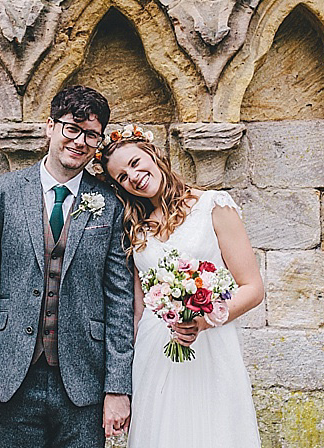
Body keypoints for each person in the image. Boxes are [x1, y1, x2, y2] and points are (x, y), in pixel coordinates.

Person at [0, 85, 134, 448]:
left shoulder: (109, 204)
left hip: (85, 381)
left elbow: (119, 301)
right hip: (12, 376)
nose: (80, 141)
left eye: (91, 135)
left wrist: (118, 388)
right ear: (50, 127)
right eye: (72, 128)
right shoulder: (2, 193)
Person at [97, 125, 264, 448]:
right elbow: (138, 307)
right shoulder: (136, 229)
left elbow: (252, 287)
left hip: (210, 345)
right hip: (153, 350)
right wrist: (122, 382)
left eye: (134, 163)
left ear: (152, 153)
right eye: (121, 177)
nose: (133, 176)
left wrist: (204, 320)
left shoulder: (213, 207)